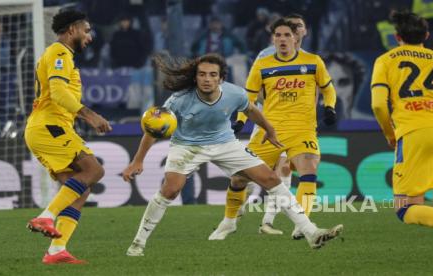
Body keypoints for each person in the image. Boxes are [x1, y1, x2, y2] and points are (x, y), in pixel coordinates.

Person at [122, 53, 343, 257]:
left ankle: (311, 232)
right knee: (170, 190)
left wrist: (270, 129)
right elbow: (154, 129)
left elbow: (252, 110)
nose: (207, 79)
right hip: (187, 146)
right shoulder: (179, 99)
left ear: (221, 78)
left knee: (271, 179)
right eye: (202, 74)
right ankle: (137, 244)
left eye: (212, 75)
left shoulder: (234, 93)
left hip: (225, 143)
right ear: (195, 77)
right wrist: (137, 160)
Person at [211, 17, 337, 240]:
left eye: (287, 34)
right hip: (269, 130)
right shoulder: (263, 64)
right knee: (240, 178)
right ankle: (229, 221)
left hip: (302, 129)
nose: (282, 39)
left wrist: (330, 108)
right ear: (273, 38)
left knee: (308, 169)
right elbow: (247, 97)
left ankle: (302, 224)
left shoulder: (313, 61)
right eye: (278, 35)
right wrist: (241, 119)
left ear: (296, 36)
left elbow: (328, 89)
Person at [24, 10, 112, 264]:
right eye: (86, 30)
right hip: (50, 126)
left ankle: (56, 251)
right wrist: (89, 115)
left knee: (79, 190)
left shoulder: (61, 55)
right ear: (72, 29)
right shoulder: (60, 53)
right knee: (94, 170)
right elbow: (60, 93)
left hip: (45, 128)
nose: (89, 37)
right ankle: (46, 216)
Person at [371, 10, 433, 273]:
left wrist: (389, 134)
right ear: (426, 35)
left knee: (405, 209)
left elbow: (378, 105)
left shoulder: (386, 60)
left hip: (416, 131)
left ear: (397, 37)